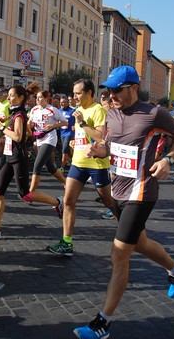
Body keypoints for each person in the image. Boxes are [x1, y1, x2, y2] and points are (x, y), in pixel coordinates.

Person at [72, 66, 174, 339]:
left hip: (141, 192)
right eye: (109, 90)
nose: (111, 95)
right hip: (118, 191)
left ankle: (103, 323)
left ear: (133, 88)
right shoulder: (112, 114)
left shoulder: (153, 114)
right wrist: (99, 148)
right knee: (140, 243)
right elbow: (110, 145)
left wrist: (168, 159)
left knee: (119, 254)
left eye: (117, 90)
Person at [0, 85, 62, 240]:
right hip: (10, 157)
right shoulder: (17, 114)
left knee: (25, 194)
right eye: (8, 95)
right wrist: (18, 127)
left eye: (11, 95)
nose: (8, 98)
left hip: (18, 157)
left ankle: (57, 202)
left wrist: (2, 128)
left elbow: (17, 137)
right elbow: (27, 133)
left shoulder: (19, 114)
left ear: (21, 98)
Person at [46, 79, 115, 256]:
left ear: (89, 93)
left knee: (108, 201)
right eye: (74, 93)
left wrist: (83, 123)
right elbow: (83, 137)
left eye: (78, 93)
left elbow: (100, 138)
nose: (74, 96)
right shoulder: (79, 111)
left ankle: (130, 230)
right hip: (78, 163)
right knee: (68, 201)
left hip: (96, 164)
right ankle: (66, 243)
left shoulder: (97, 110)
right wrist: (76, 144)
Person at [28, 90, 68, 193]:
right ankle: (66, 183)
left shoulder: (52, 110)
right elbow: (31, 123)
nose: (37, 99)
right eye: (37, 97)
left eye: (40, 97)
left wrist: (54, 125)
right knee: (49, 166)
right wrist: (30, 124)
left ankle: (30, 194)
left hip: (50, 137)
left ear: (46, 98)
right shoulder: (34, 110)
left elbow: (65, 123)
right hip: (39, 138)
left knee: (37, 165)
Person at [59, 94, 76, 171]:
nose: (62, 104)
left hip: (69, 133)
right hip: (62, 132)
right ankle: (74, 163)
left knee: (65, 149)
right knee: (67, 151)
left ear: (67, 103)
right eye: (61, 102)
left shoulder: (72, 111)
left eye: (63, 102)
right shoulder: (59, 111)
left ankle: (62, 167)